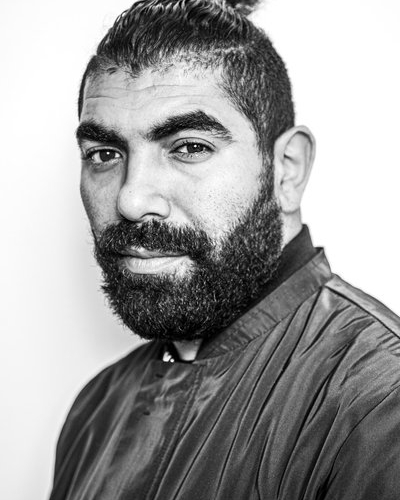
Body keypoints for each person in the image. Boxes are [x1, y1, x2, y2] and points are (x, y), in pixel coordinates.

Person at [49, 0, 400, 498]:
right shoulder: (95, 410)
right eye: (104, 154)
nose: (131, 199)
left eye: (190, 147)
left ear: (287, 170)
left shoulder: (380, 400)